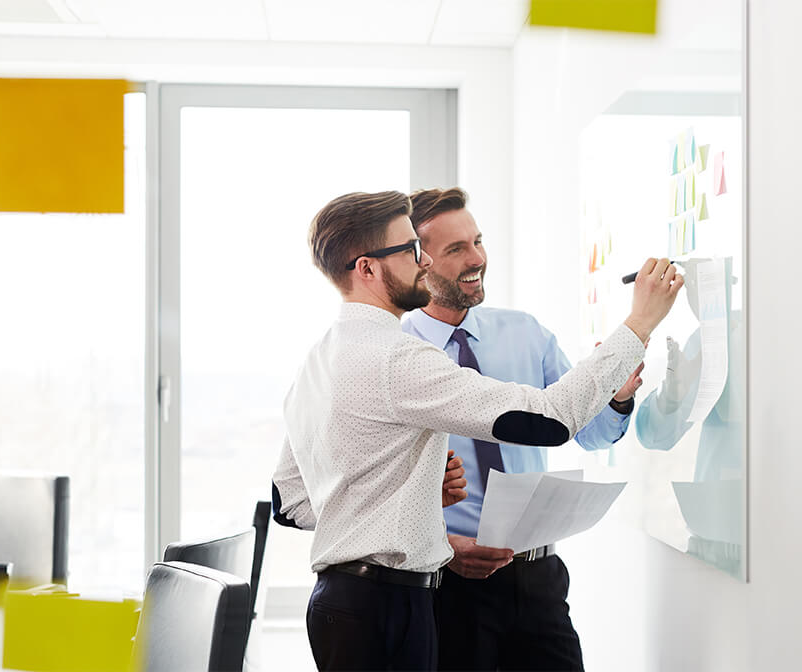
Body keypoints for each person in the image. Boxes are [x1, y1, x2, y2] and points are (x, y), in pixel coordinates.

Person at [272, 190, 681, 671]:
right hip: (394, 605)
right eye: (410, 251)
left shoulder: (320, 356)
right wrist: (639, 321)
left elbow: (291, 502)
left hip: (348, 604)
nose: (422, 264)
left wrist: (409, 502)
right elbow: (549, 421)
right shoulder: (397, 356)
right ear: (366, 268)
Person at [400, 187, 643, 671]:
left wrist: (617, 396)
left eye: (478, 241)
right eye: (456, 249)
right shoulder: (396, 354)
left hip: (538, 577)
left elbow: (590, 432)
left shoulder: (526, 333)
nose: (478, 258)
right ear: (418, 262)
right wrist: (444, 549)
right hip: (448, 583)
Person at [633, 257, 743, 573]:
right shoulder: (711, 339)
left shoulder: (791, 342)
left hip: (776, 532)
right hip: (713, 538)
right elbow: (656, 435)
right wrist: (672, 394)